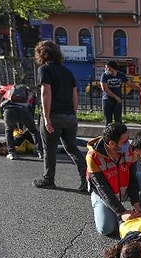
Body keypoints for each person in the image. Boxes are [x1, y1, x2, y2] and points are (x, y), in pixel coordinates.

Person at [32, 40, 87, 191]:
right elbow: (75, 94)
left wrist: (46, 116)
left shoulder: (44, 70)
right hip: (69, 116)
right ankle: (87, 178)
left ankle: (48, 179)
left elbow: (45, 93)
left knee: (49, 149)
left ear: (41, 54)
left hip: (54, 115)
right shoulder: (67, 71)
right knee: (72, 147)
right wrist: (73, 113)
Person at [86, 123, 141, 236]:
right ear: (112, 143)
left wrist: (136, 204)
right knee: (106, 229)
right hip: (104, 193)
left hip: (124, 185)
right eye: (124, 142)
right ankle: (122, 214)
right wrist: (121, 212)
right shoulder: (92, 157)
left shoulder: (129, 151)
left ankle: (136, 214)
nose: (128, 144)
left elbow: (133, 180)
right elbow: (102, 188)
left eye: (128, 139)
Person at [0, 85, 43, 160]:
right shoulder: (11, 91)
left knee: (9, 131)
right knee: (33, 131)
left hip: (9, 111)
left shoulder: (4, 98)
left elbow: (2, 112)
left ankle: (12, 153)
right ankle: (41, 152)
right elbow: (30, 107)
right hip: (25, 110)